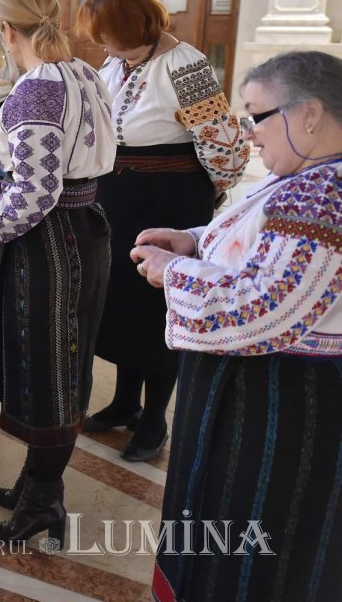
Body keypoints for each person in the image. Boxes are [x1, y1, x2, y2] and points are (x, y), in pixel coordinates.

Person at [132, 51, 342, 602]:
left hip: (277, 406)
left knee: (249, 540)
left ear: (311, 114)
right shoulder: (308, 177)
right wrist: (195, 240)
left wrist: (173, 272)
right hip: (257, 392)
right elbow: (260, 242)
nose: (249, 135)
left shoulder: (321, 196)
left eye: (256, 116)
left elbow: (264, 306)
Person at [0, 0, 116, 550]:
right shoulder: (84, 72)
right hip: (83, 229)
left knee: (51, 367)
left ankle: (44, 499)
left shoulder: (38, 86)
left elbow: (35, 193)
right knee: (62, 361)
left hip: (52, 241)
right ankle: (37, 482)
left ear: (5, 29)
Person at [75, 0, 250, 462]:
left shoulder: (186, 65)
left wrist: (211, 191)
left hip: (168, 201)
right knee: (122, 305)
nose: (97, 42)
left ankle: (154, 422)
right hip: (119, 198)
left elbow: (223, 143)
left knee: (157, 310)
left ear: (131, 26)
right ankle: (125, 403)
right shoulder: (117, 61)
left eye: (105, 31)